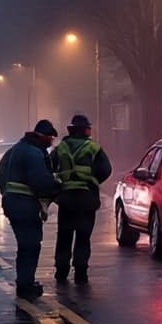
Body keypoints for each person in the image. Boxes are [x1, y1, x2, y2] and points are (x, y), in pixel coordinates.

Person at [0, 119, 61, 299]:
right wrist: (57, 187)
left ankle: (24, 281)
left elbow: (0, 173)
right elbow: (40, 181)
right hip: (24, 205)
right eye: (50, 137)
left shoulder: (17, 148)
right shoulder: (34, 153)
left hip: (12, 202)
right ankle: (26, 285)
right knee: (30, 245)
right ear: (42, 136)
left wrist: (6, 191)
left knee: (25, 244)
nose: (51, 141)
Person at [52, 113, 113, 285]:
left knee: (64, 236)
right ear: (85, 130)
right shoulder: (94, 148)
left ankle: (61, 271)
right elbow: (106, 169)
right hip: (86, 199)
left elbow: (49, 166)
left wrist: (59, 184)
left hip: (66, 200)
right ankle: (80, 272)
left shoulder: (61, 148)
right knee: (83, 236)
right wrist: (93, 181)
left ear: (71, 130)